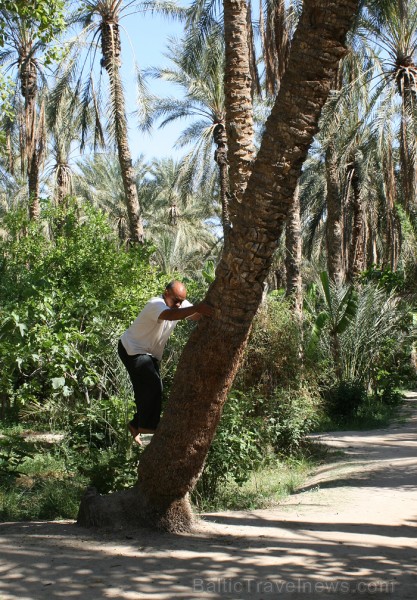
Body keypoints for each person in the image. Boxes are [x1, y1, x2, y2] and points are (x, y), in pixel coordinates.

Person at [118, 280, 214, 445]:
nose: (178, 304)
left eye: (181, 301)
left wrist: (210, 309)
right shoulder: (155, 304)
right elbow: (170, 315)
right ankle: (148, 427)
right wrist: (197, 307)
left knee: (151, 388)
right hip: (132, 349)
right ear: (166, 293)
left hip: (150, 354)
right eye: (175, 300)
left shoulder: (180, 305)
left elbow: (196, 315)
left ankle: (136, 424)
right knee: (153, 384)